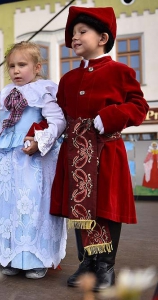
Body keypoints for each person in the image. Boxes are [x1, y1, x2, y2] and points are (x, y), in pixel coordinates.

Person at [50, 6, 149, 292]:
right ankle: (87, 262)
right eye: (73, 34)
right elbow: (58, 114)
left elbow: (139, 106)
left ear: (103, 37)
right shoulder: (68, 79)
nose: (75, 38)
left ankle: (105, 264)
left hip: (106, 152)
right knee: (80, 205)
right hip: (76, 153)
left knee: (103, 207)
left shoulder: (121, 71)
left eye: (82, 32)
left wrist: (110, 116)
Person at [0, 41, 67, 279]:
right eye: (11, 66)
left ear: (37, 67)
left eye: (22, 65)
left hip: (30, 159)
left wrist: (41, 141)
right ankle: (10, 255)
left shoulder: (45, 90)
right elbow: (4, 122)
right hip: (5, 158)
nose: (15, 70)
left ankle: (34, 258)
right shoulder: (5, 93)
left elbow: (59, 122)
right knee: (6, 205)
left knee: (31, 205)